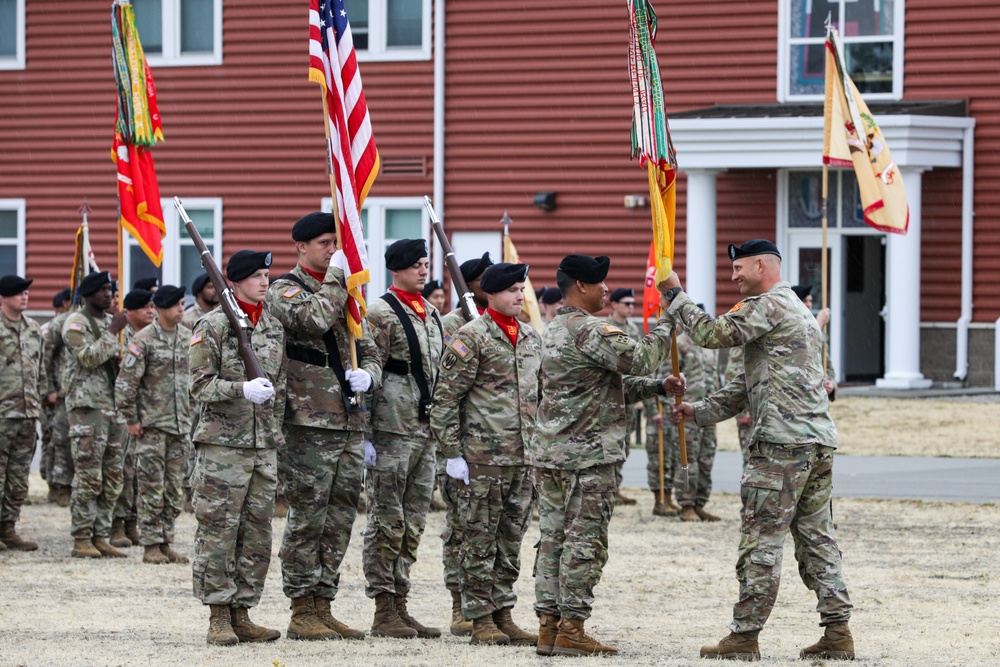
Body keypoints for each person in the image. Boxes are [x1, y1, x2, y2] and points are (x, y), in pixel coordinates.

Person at [662, 239, 854, 661]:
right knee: (816, 538)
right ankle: (838, 633)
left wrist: (675, 295)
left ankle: (744, 636)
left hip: (782, 445)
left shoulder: (767, 304)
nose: (734, 277)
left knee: (761, 542)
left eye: (739, 269)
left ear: (764, 266)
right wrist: (697, 412)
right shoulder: (796, 310)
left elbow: (712, 334)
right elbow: (744, 389)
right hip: (815, 442)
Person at [531, 254, 682, 656]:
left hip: (553, 455)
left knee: (553, 541)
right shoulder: (590, 329)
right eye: (600, 284)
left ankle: (548, 626)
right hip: (588, 457)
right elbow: (643, 356)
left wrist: (656, 388)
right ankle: (572, 629)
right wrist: (669, 317)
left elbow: (599, 389)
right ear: (581, 285)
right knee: (585, 542)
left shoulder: (555, 328)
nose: (604, 290)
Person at [266, 211, 380, 641]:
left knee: (340, 518)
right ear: (301, 247)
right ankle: (300, 608)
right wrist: (336, 276)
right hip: (309, 421)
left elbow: (366, 346)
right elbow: (313, 319)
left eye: (337, 242)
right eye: (325, 244)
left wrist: (370, 375)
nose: (334, 250)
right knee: (308, 517)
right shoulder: (285, 289)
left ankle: (323, 603)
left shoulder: (346, 293)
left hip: (349, 419)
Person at [430, 262, 540, 647]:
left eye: (521, 289)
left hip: (522, 458)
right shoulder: (470, 337)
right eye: (511, 290)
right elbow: (444, 400)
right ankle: (478, 618)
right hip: (480, 459)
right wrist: (452, 453)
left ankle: (503, 612)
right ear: (490, 293)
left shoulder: (529, 337)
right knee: (479, 540)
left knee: (510, 539)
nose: (518, 296)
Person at [189, 250, 286, 646]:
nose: (265, 282)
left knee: (257, 534)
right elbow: (198, 386)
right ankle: (217, 615)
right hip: (222, 447)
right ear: (236, 281)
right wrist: (239, 389)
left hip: (263, 445)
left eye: (267, 275)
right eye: (257, 276)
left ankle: (243, 612)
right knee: (218, 531)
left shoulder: (274, 327)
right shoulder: (211, 325)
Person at [363, 238, 444, 639]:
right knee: (386, 520)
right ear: (397, 269)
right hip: (390, 428)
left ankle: (400, 601)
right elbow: (368, 368)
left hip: (423, 429)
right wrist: (365, 433)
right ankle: (382, 608)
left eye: (426, 264)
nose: (424, 270)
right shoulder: (378, 312)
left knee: (413, 522)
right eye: (416, 265)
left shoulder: (430, 312)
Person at [114, 285, 191, 565]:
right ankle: (150, 545)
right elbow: (126, 385)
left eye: (183, 304)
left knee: (174, 489)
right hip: (151, 427)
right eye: (175, 305)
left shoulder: (187, 338)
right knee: (150, 488)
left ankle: (166, 541)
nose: (181, 309)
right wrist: (131, 419)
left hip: (179, 425)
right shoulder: (143, 340)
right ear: (160, 309)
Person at [436, 250, 492, 635]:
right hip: (462, 440)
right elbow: (447, 390)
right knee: (461, 529)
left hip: (494, 444)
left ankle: (491, 607)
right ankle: (460, 606)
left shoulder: (493, 324)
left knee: (492, 534)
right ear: (470, 285)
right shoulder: (452, 326)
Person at [61, 271, 129, 559]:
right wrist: (113, 332)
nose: (108, 294)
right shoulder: (77, 323)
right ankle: (81, 537)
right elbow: (87, 357)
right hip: (87, 408)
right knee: (89, 476)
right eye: (102, 290)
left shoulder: (105, 322)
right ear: (88, 294)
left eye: (110, 289)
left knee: (113, 475)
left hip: (112, 407)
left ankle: (101, 535)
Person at [0, 275, 45, 552]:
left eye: (26, 292)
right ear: (4, 298)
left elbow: (39, 370)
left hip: (27, 414)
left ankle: (8, 528)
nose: (24, 297)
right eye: (18, 293)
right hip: (3, 413)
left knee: (18, 478)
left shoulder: (33, 329)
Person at [110, 288, 156, 549]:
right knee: (123, 471)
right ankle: (117, 524)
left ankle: (132, 522)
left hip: (148, 411)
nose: (151, 312)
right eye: (145, 307)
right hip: (122, 412)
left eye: (153, 306)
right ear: (131, 312)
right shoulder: (122, 334)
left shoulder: (152, 336)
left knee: (139, 473)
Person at [672, 319, 723, 523]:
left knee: (706, 457)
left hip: (709, 410)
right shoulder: (679, 344)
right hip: (688, 410)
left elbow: (716, 378)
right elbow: (667, 376)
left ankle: (700, 503)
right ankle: (686, 505)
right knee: (688, 458)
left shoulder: (712, 347)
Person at [181, 273, 220, 512]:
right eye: (209, 287)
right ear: (198, 292)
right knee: (189, 442)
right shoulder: (187, 320)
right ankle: (187, 491)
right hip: (192, 390)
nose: (214, 291)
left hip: (214, 389)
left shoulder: (223, 316)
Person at [605, 287, 642, 506]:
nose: (630, 308)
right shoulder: (606, 328)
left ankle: (616, 487)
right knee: (610, 442)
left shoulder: (633, 329)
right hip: (610, 396)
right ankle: (607, 488)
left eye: (633, 304)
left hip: (628, 394)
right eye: (626, 304)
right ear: (614, 305)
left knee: (624, 444)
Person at [41, 287, 74, 507]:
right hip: (59, 393)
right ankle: (56, 485)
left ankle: (67, 484)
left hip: (74, 391)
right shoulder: (58, 323)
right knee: (56, 439)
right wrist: (48, 388)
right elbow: (44, 358)